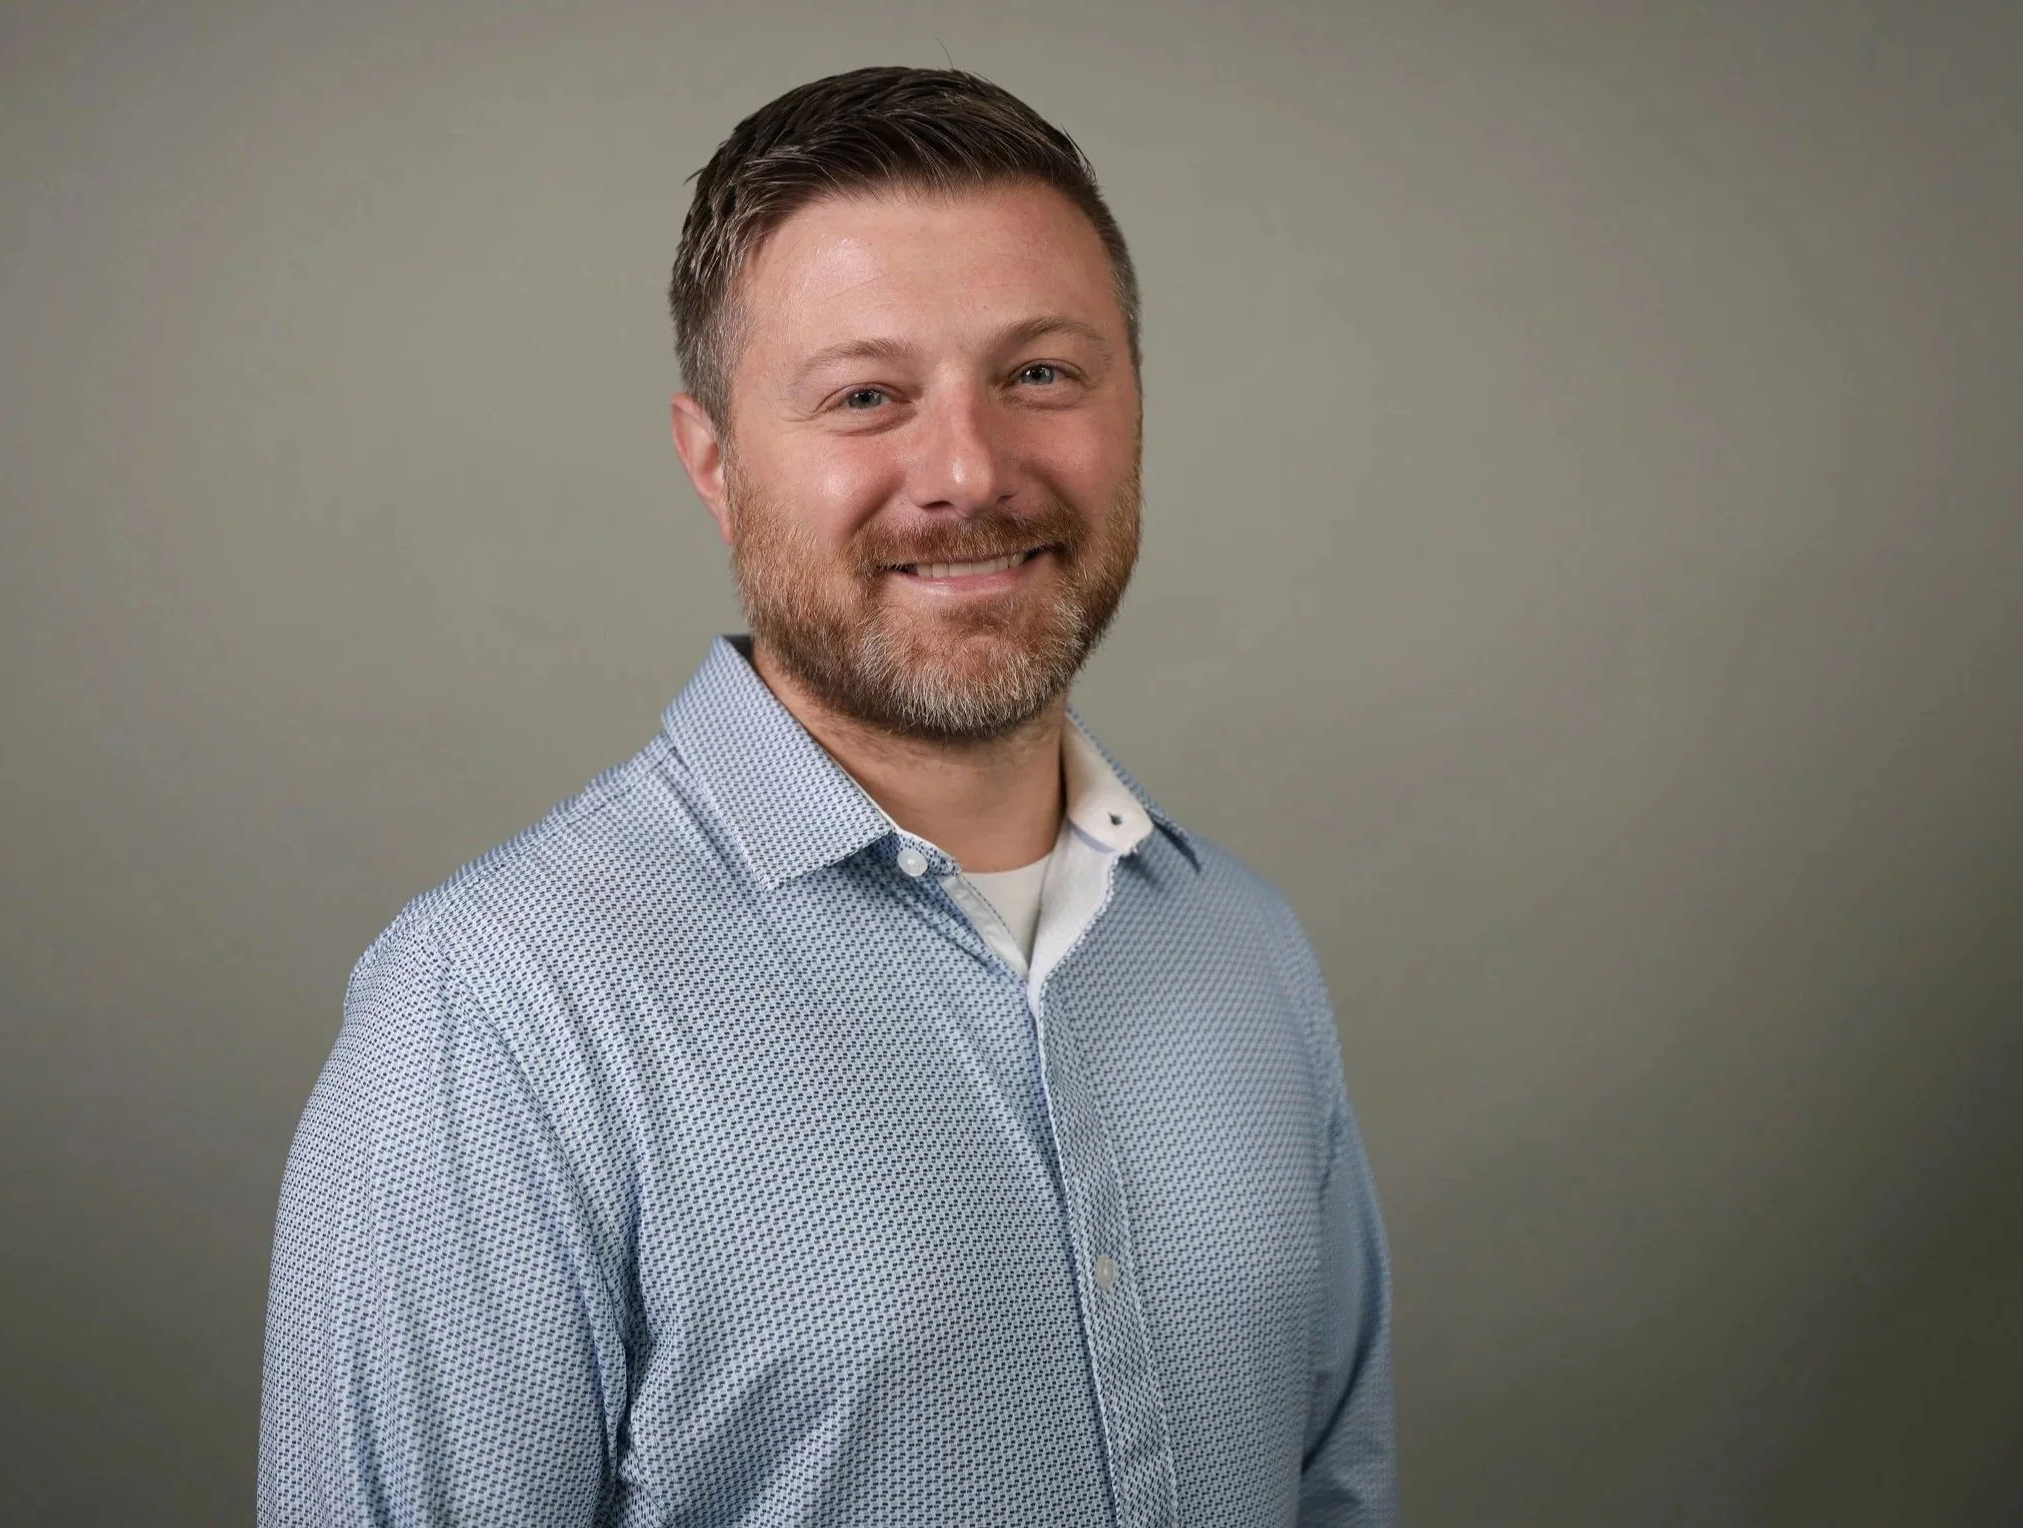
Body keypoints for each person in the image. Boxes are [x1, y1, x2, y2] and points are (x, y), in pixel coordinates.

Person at [260, 66, 1396, 1528]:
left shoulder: (1245, 950)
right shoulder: (500, 1011)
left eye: (1041, 373)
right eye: (866, 396)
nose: (970, 471)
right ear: (713, 462)